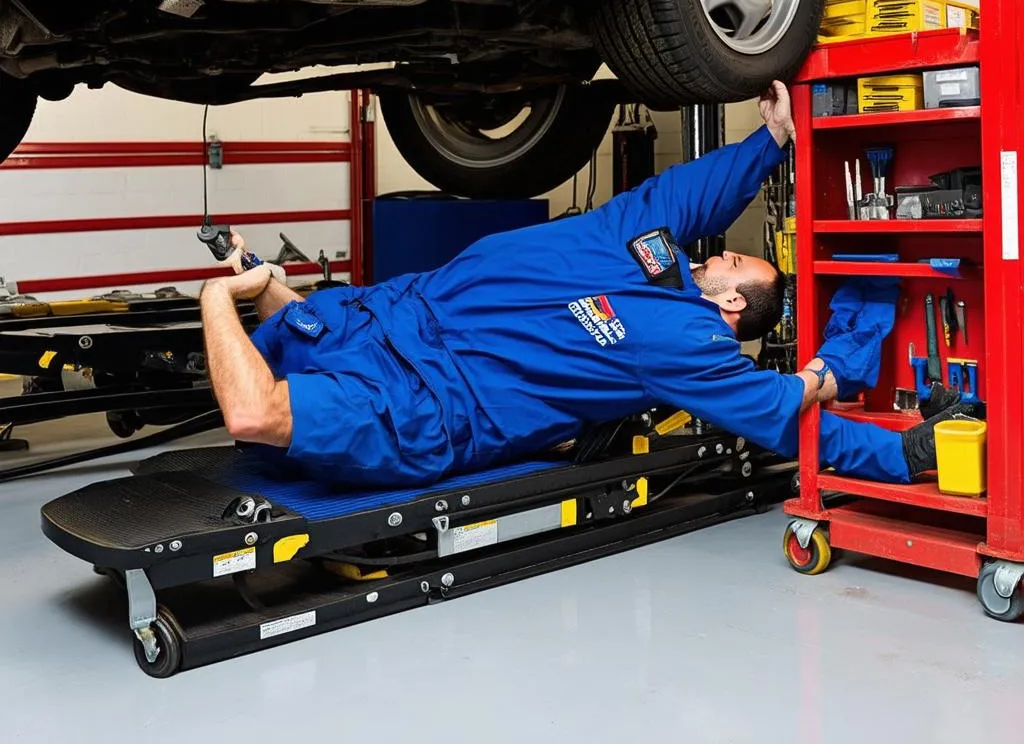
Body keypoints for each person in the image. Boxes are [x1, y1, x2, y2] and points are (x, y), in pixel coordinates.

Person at [199, 81, 970, 489]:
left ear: (732, 304)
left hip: (426, 399)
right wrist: (771, 140)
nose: (722, 253)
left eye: (735, 263)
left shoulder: (689, 342)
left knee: (274, 403)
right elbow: (684, 195)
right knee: (301, 323)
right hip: (389, 318)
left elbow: (251, 412)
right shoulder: (639, 250)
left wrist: (209, 300)